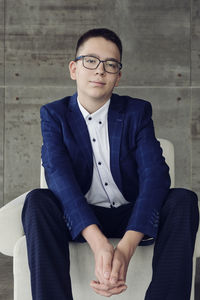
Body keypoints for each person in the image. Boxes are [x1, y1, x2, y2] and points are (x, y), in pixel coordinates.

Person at [22, 28, 199, 300]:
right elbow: (58, 177)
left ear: (118, 77)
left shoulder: (136, 112)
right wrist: (99, 244)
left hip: (131, 214)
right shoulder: (54, 115)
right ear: (74, 68)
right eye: (90, 61)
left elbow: (156, 176)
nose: (100, 71)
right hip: (83, 217)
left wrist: (126, 249)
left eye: (111, 65)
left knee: (183, 199)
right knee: (37, 200)